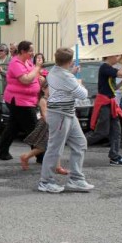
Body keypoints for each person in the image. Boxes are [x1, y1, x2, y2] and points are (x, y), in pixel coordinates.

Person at [38, 48, 92, 193]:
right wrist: (78, 82)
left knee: (80, 143)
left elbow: (62, 80)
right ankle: (45, 181)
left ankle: (76, 178)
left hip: (66, 113)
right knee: (55, 148)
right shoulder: (66, 76)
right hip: (61, 114)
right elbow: (82, 95)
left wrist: (72, 74)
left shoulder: (54, 71)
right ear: (70, 61)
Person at [0, 41, 42, 160]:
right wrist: (37, 68)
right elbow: (25, 79)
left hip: (26, 100)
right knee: (34, 128)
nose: (33, 53)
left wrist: (40, 76)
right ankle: (41, 156)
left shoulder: (28, 62)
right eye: (30, 51)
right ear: (22, 51)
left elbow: (35, 75)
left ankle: (2, 151)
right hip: (20, 101)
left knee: (13, 126)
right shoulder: (15, 63)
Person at [85, 54, 122, 166]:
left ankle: (114, 156)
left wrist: (121, 84)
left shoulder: (108, 69)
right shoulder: (104, 67)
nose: (118, 58)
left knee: (116, 131)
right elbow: (121, 73)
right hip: (104, 104)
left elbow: (112, 88)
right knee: (101, 132)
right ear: (110, 56)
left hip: (111, 103)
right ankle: (78, 143)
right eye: (117, 56)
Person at [20, 82, 68, 174]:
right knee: (43, 146)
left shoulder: (54, 99)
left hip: (54, 124)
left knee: (55, 145)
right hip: (46, 125)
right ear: (43, 89)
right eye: (50, 88)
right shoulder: (43, 100)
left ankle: (57, 166)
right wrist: (52, 123)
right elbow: (45, 114)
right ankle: (26, 156)